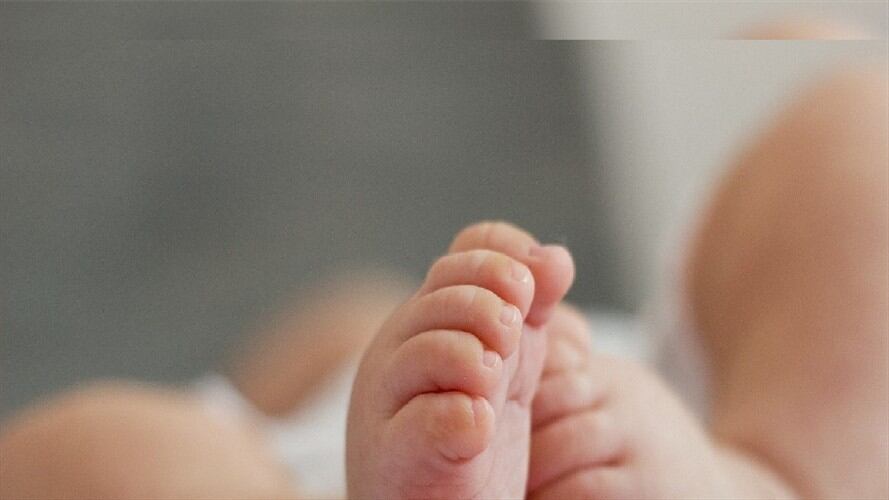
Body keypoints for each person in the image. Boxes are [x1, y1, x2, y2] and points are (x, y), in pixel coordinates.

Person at [2, 61, 886, 500]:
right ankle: (767, 479)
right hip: (681, 432)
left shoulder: (274, 435)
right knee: (859, 143)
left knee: (108, 462)